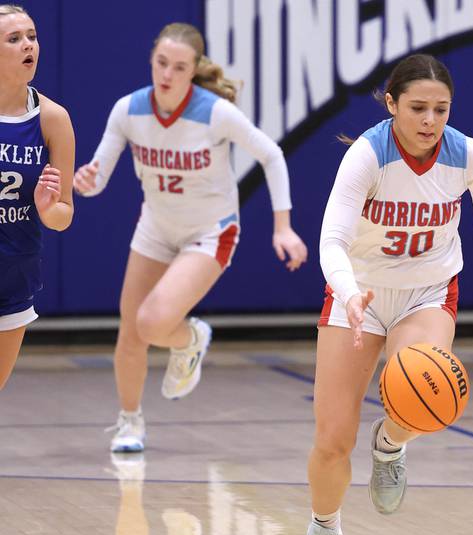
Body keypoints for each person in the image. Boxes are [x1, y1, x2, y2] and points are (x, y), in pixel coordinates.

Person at [293, 53, 473, 535]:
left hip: (427, 291)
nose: (430, 120)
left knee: (425, 388)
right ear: (391, 104)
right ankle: (324, 532)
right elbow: (331, 240)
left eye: (441, 109)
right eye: (417, 107)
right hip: (360, 295)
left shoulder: (468, 155)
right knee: (332, 440)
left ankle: (391, 442)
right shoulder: (369, 156)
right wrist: (347, 293)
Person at [74, 23, 307, 453]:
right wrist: (86, 180)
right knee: (131, 330)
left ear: (193, 70)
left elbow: (271, 155)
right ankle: (130, 422)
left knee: (151, 322)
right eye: (161, 63)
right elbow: (97, 177)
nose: (167, 74)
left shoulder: (214, 112)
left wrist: (283, 225)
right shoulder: (128, 110)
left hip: (211, 230)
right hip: (156, 228)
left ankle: (191, 339)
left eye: (178, 67)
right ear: (151, 60)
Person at [0, 4, 75, 391]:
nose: (28, 44)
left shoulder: (52, 118)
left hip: (14, 273)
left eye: (31, 36)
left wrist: (49, 210)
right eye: (14, 39)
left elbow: (64, 214)